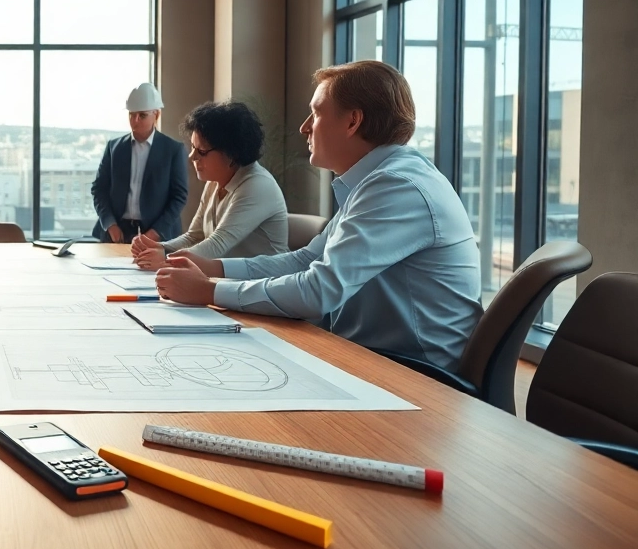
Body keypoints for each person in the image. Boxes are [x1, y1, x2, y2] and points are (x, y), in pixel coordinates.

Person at [155, 60, 482, 373]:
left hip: (413, 375)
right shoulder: (376, 180)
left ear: (353, 121)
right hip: (370, 356)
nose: (304, 127)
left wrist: (208, 290)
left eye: (315, 113)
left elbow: (318, 291)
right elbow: (307, 260)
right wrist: (215, 269)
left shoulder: (397, 187)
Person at [131, 101, 288, 268]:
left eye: (202, 152)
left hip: (266, 286)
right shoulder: (215, 182)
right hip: (232, 283)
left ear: (232, 153)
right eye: (192, 147)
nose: (192, 157)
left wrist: (165, 258)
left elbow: (217, 244)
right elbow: (194, 237)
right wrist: (158, 247)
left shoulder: (257, 185)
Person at [90, 82, 189, 243]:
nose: (135, 120)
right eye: (131, 114)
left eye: (142, 115)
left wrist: (154, 233)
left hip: (157, 236)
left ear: (156, 115)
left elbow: (179, 197)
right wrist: (110, 225)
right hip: (117, 234)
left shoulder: (173, 150)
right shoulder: (114, 148)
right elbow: (99, 189)